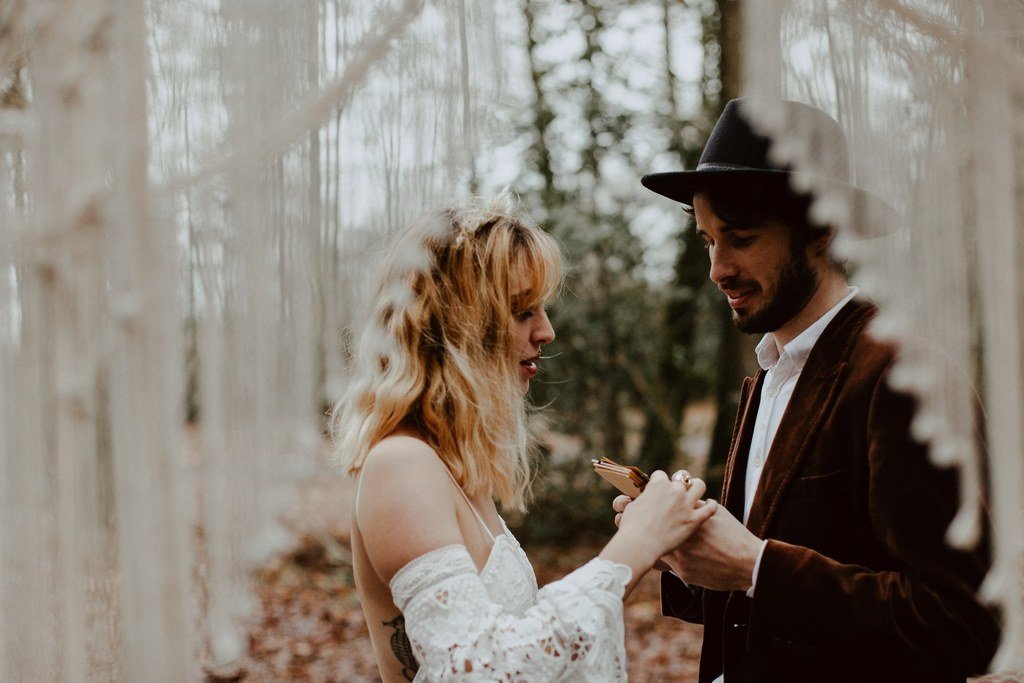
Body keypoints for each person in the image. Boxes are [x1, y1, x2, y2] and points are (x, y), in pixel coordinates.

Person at [618, 98, 1000, 683]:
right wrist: (684, 553)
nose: (718, 268)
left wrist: (757, 567)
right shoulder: (769, 377)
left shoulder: (906, 376)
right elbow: (763, 604)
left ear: (822, 228)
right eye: (707, 241)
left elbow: (965, 624)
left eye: (740, 237)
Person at [332, 192, 717, 682]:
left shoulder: (450, 467)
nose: (547, 331)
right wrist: (634, 548)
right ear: (453, 325)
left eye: (542, 309)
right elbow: (479, 670)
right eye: (521, 312)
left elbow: (515, 643)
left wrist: (664, 538)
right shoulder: (400, 464)